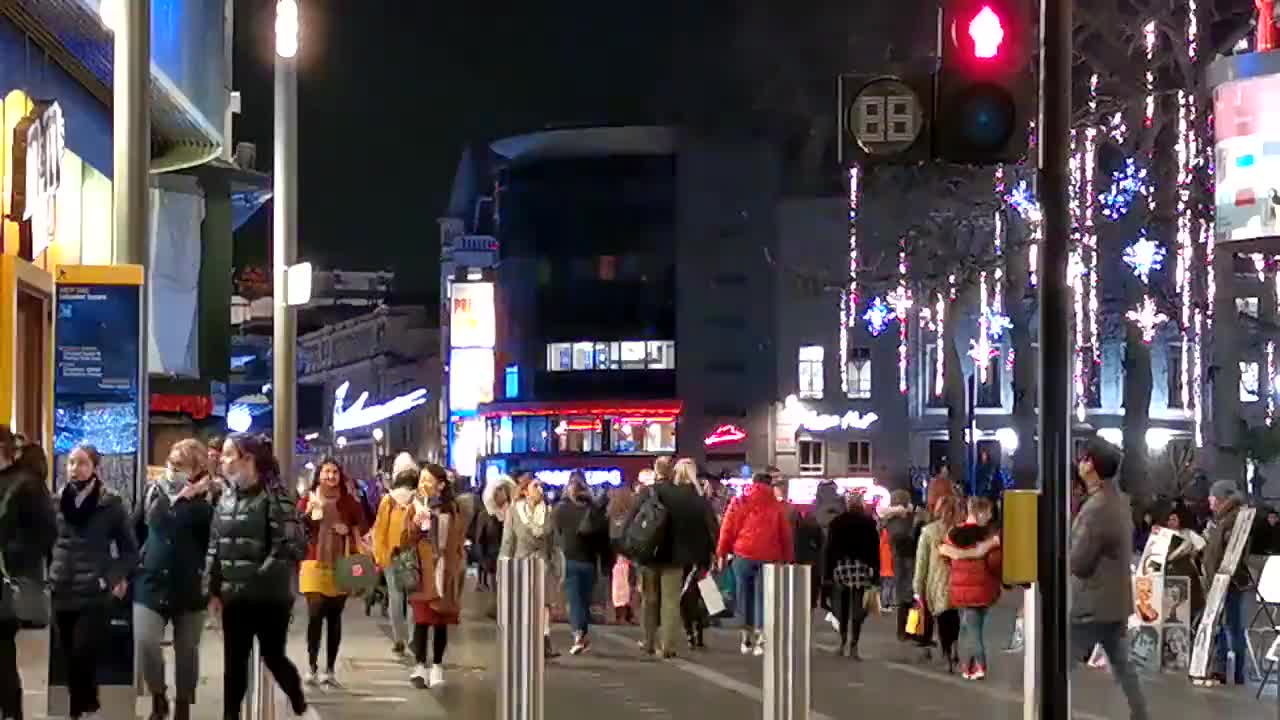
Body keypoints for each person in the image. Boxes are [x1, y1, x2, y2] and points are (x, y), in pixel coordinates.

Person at [208, 434, 311, 720]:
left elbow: (287, 546)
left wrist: (255, 580)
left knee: (272, 656)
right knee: (234, 664)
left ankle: (297, 698)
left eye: (229, 455)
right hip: (234, 596)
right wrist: (213, 589)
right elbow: (215, 546)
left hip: (269, 598)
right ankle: (230, 716)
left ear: (248, 459)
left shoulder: (276, 495)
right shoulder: (225, 496)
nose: (222, 460)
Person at [49, 444, 140, 720]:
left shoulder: (110, 503)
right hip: (61, 588)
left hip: (93, 592)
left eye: (82, 463)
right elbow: (47, 542)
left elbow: (129, 550)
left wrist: (110, 578)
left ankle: (83, 710)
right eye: (71, 463)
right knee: (69, 659)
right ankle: (86, 707)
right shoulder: (56, 501)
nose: (75, 468)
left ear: (95, 468)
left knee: (82, 653)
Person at [133, 439, 215, 720]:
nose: (173, 470)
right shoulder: (152, 491)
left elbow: (213, 544)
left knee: (187, 652)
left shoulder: (209, 499)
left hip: (189, 586)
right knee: (146, 642)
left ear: (197, 469)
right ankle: (158, 695)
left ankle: (182, 704)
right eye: (171, 463)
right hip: (150, 582)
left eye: (181, 466)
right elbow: (136, 531)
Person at [1070, 438, 1147, 720]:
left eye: (1083, 459)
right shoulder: (1119, 501)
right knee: (1123, 665)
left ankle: (1046, 705)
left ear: (1092, 466)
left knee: (1058, 662)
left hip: (1092, 602)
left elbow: (1078, 561)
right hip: (1115, 601)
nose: (1079, 463)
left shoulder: (1096, 508)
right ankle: (1141, 714)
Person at [0, 428, 56, 720]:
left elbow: (47, 533)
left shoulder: (26, 485)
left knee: (3, 657)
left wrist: (15, 554)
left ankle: (12, 714)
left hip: (10, 579)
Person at [298, 458, 369, 686]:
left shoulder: (349, 502)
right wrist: (308, 514)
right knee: (315, 613)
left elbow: (364, 526)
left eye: (335, 472)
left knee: (334, 617)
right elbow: (297, 527)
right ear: (318, 475)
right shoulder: (307, 499)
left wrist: (347, 529)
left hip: (341, 562)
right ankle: (311, 665)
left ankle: (329, 669)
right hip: (313, 562)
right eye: (326, 472)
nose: (331, 476)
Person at [405, 465, 472, 689]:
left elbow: (460, 537)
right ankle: (420, 666)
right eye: (421, 479)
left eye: (428, 480)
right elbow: (407, 539)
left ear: (441, 485)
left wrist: (456, 562)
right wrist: (415, 525)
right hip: (422, 569)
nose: (423, 483)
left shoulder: (453, 509)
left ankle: (437, 665)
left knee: (440, 621)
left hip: (445, 569)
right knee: (422, 620)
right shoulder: (413, 506)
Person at [716, 472, 793, 656]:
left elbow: (727, 528)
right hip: (769, 556)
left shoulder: (740, 501)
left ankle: (745, 637)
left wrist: (722, 553)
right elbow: (785, 535)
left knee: (743, 595)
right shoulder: (776, 505)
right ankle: (761, 637)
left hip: (743, 555)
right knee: (764, 596)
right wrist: (788, 558)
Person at [940, 496, 1002, 680]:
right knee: (974, 629)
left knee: (970, 631)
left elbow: (945, 557)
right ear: (981, 512)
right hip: (984, 589)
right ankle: (969, 666)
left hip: (963, 591)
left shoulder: (953, 535)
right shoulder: (989, 536)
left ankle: (978, 666)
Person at [500, 474, 562, 658]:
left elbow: (553, 541)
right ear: (525, 491)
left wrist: (554, 563)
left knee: (544, 605)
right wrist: (504, 563)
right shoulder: (514, 511)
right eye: (536, 486)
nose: (540, 490)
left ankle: (545, 640)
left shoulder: (549, 512)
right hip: (521, 563)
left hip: (543, 563)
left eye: (541, 487)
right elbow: (508, 541)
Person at [1201, 479, 1253, 687]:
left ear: (1222, 498)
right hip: (1218, 580)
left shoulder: (1234, 519)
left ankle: (1236, 672)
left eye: (1212, 497)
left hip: (1229, 582)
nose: (1209, 501)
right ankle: (1220, 670)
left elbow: (1231, 552)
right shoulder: (1222, 519)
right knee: (1221, 626)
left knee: (1231, 626)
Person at [553, 472, 609, 655]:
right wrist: (606, 561)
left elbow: (555, 534)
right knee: (583, 601)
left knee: (575, 600)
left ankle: (579, 635)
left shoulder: (560, 509)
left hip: (570, 559)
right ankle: (582, 634)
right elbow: (604, 539)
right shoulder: (594, 510)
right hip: (589, 561)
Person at [371, 468, 421, 656]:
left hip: (392, 555)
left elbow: (380, 530)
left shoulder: (389, 500)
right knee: (413, 599)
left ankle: (398, 638)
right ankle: (413, 639)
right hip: (413, 556)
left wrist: (380, 556)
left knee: (395, 597)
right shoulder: (418, 502)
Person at [824, 493, 880, 659]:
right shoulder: (869, 523)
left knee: (841, 606)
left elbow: (829, 549)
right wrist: (875, 572)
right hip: (862, 569)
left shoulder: (837, 522)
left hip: (842, 567)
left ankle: (842, 641)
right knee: (859, 607)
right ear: (861, 505)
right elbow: (874, 550)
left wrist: (827, 573)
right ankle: (854, 644)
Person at [914, 495, 965, 672]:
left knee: (944, 616)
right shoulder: (959, 530)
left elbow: (922, 562)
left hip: (940, 581)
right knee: (952, 616)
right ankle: (953, 648)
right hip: (953, 580)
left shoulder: (929, 532)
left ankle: (948, 653)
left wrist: (917, 585)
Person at [882, 490, 919, 641]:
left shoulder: (888, 519)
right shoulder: (911, 516)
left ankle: (901, 632)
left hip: (897, 558)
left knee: (901, 598)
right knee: (913, 599)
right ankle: (911, 630)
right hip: (911, 557)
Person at [607, 480, 638, 624]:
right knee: (629, 584)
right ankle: (628, 612)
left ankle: (619, 613)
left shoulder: (611, 516)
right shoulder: (632, 517)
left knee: (618, 585)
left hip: (616, 557)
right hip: (629, 555)